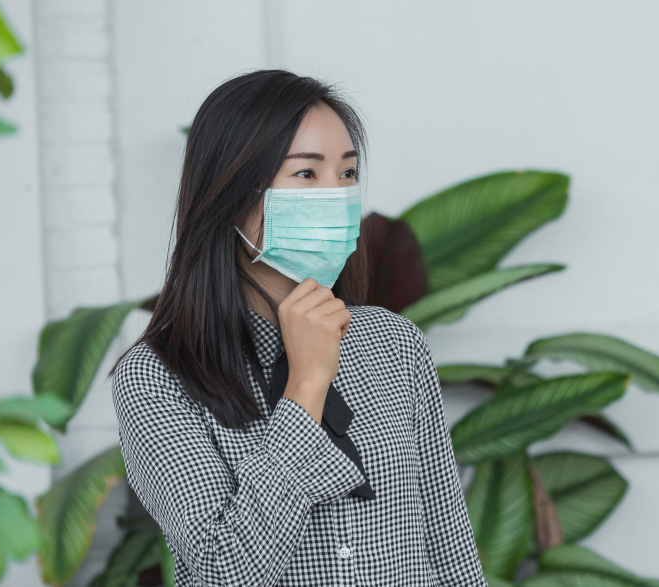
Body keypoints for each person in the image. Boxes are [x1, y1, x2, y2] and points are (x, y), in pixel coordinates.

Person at [109, 70, 486, 586]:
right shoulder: (156, 378)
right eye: (306, 174)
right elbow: (225, 571)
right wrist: (306, 386)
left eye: (347, 173)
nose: (336, 195)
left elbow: (451, 550)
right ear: (229, 192)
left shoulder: (395, 344)